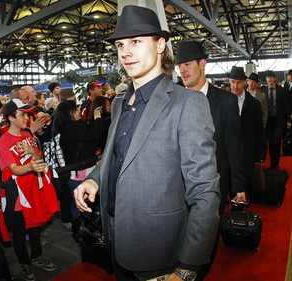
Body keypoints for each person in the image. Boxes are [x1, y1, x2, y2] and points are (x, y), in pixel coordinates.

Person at [74, 5, 220, 281]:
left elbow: (205, 192)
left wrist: (187, 267)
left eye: (136, 41)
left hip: (161, 254)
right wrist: (94, 179)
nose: (126, 52)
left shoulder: (188, 103)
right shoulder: (118, 104)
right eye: (120, 44)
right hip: (116, 243)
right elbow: (116, 158)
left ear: (160, 45)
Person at [176, 40, 246, 211]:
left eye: (187, 64)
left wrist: (239, 186)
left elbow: (233, 146)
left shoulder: (226, 101)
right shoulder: (174, 100)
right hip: (178, 187)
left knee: (208, 236)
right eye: (179, 65)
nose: (182, 70)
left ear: (202, 64)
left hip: (213, 186)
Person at [0, 98, 59, 281]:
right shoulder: (2, 142)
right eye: (22, 115)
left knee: (35, 227)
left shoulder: (27, 135)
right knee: (19, 232)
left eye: (27, 114)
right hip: (17, 194)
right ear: (10, 117)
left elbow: (37, 155)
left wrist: (33, 155)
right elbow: (14, 169)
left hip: (33, 189)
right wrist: (31, 167)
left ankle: (37, 256)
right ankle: (24, 263)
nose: (26, 118)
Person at [228, 66, 267, 187]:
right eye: (232, 82)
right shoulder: (223, 101)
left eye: (239, 82)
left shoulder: (254, 104)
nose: (235, 85)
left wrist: (260, 155)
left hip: (247, 151)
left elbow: (259, 130)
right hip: (228, 153)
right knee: (231, 186)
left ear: (245, 82)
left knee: (246, 184)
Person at [261, 70, 290, 169]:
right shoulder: (262, 90)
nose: (269, 79)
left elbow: (286, 105)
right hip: (268, 121)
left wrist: (288, 120)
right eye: (267, 77)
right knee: (271, 142)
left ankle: (275, 164)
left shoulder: (282, 90)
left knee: (276, 141)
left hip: (279, 120)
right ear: (266, 79)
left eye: (271, 77)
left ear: (275, 78)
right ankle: (273, 164)